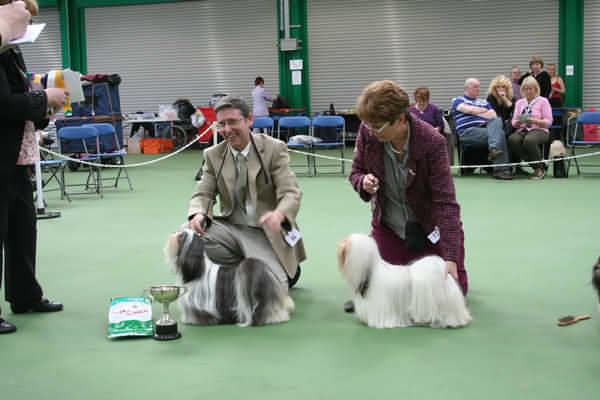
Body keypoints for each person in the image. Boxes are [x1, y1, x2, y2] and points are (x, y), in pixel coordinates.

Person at [346, 80, 468, 312]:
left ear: (401, 119)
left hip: (428, 230)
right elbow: (355, 172)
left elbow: (446, 203)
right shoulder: (368, 132)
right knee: (379, 294)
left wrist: (451, 257)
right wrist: (363, 182)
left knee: (452, 292)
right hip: (389, 228)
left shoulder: (433, 142)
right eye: (368, 125)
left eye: (377, 127)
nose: (370, 131)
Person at [188, 95, 305, 292]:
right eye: (221, 124)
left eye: (233, 122)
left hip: (267, 232)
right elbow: (204, 193)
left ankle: (277, 267)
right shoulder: (212, 155)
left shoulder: (274, 148)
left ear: (249, 120)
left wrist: (279, 214)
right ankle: (243, 268)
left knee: (271, 290)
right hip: (234, 229)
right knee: (190, 233)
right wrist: (198, 213)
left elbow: (290, 192)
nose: (227, 129)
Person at [0, 0, 66, 334]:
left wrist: (46, 107)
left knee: (23, 231)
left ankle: (26, 296)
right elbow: (4, 104)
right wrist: (43, 98)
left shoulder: (11, 53)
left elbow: (20, 98)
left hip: (18, 159)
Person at [451, 78, 513, 180]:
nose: (478, 89)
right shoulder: (458, 100)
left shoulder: (483, 101)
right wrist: (483, 111)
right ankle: (501, 170)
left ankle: (494, 149)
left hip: (485, 130)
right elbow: (469, 110)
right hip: (467, 132)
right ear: (467, 88)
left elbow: (493, 115)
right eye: (475, 87)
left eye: (479, 87)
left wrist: (475, 112)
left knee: (497, 121)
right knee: (499, 134)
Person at [510, 76, 552, 180]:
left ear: (536, 89)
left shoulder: (543, 101)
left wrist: (534, 121)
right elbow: (514, 122)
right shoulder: (519, 102)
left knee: (529, 140)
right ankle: (539, 166)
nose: (528, 91)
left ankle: (538, 170)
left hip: (540, 130)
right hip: (523, 129)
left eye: (530, 89)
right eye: (525, 89)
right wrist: (519, 122)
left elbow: (549, 122)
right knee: (513, 139)